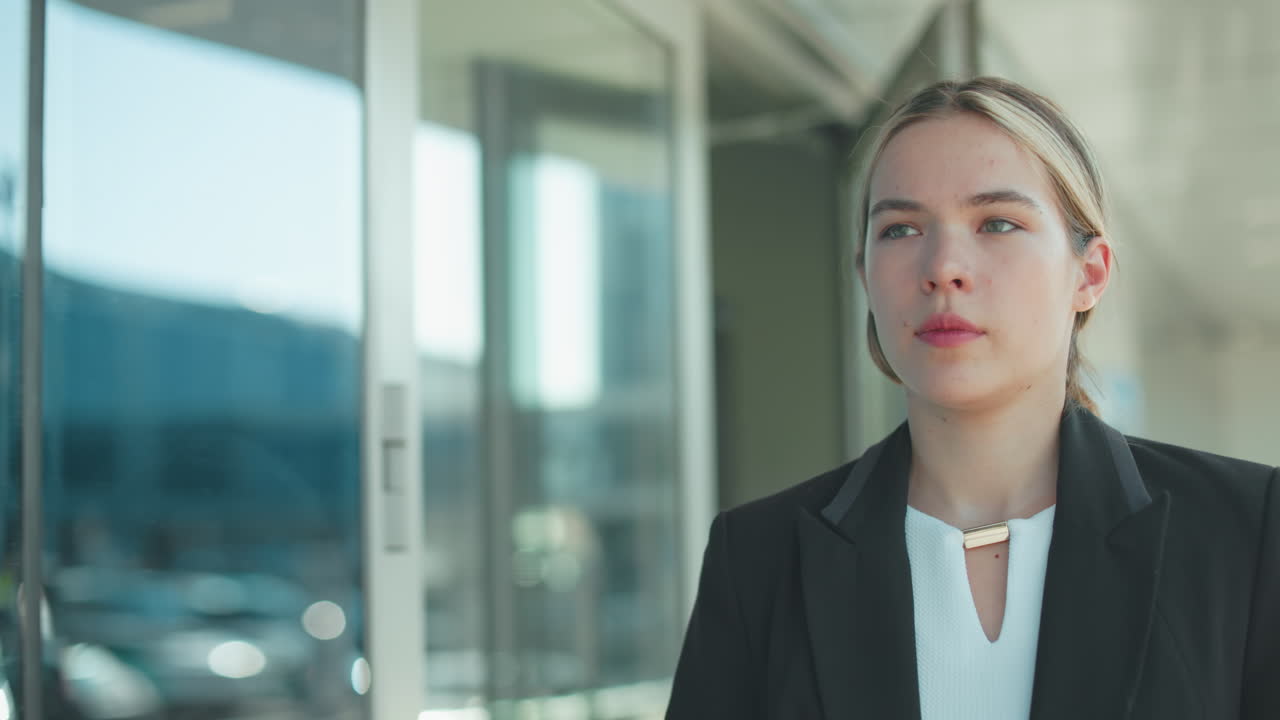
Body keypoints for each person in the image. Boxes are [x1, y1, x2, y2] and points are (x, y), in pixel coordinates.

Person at [666, 77, 1278, 719]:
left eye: (997, 223)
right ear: (865, 275)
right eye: (901, 229)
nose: (943, 267)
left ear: (1089, 274)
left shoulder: (1245, 533)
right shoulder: (758, 559)